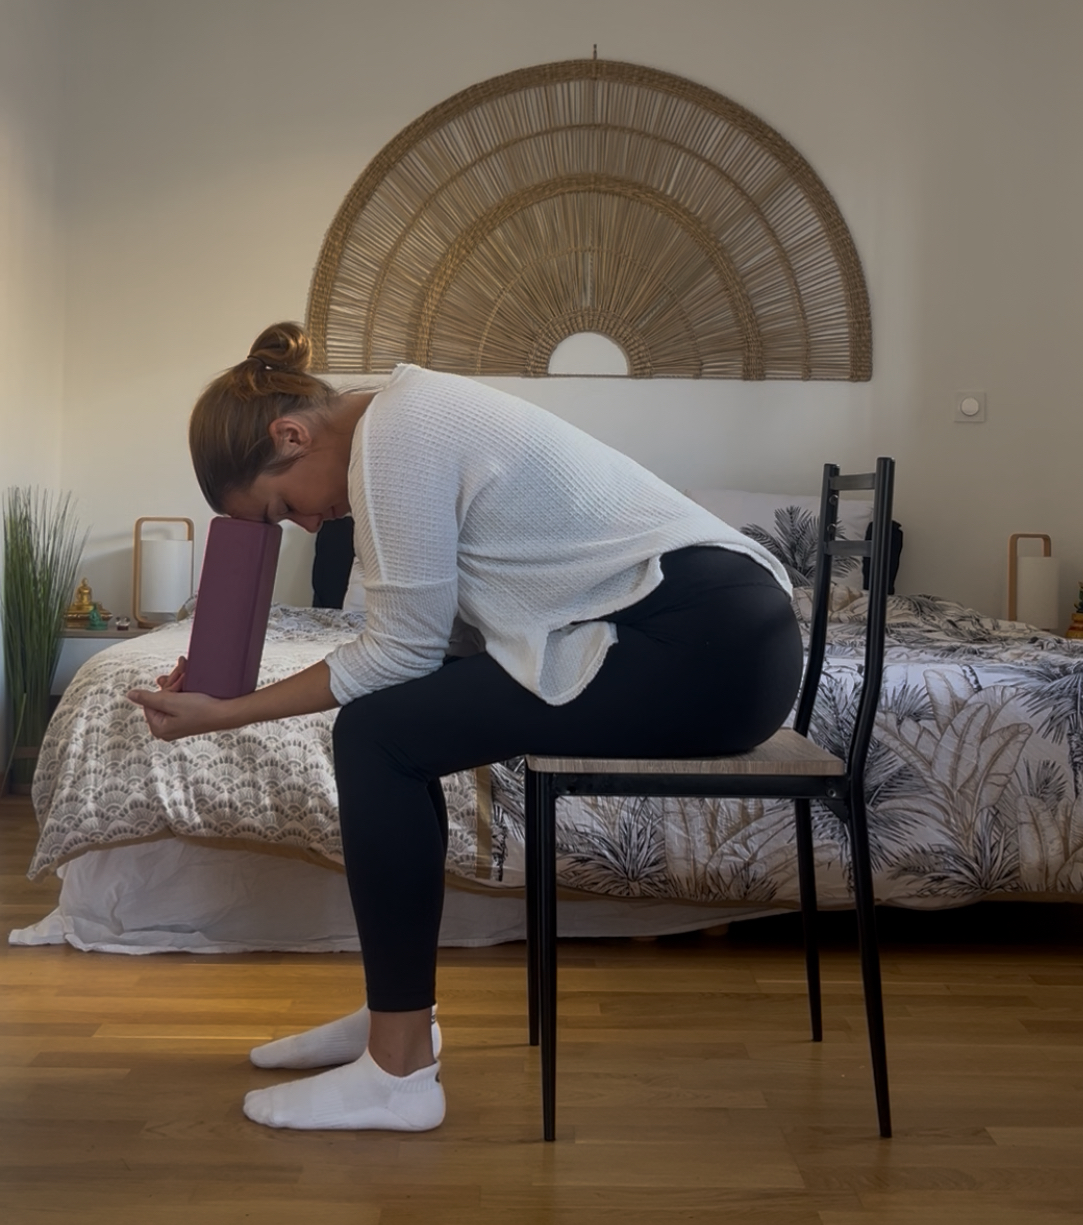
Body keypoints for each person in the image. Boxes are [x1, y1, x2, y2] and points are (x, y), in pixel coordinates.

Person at [128, 321, 803, 1133]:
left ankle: (399, 1067)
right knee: (388, 726)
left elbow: (400, 652)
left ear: (291, 434)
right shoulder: (402, 417)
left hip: (707, 648)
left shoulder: (397, 434)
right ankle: (396, 1020)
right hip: (701, 637)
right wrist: (220, 684)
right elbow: (428, 640)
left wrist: (227, 714)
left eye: (284, 508)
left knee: (377, 737)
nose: (309, 525)